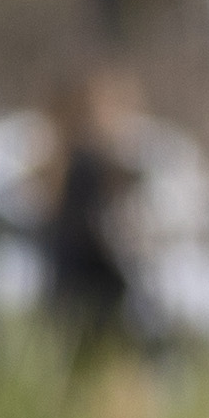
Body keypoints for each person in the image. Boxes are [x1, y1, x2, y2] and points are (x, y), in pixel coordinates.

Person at [33, 63, 150, 362]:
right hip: (91, 298)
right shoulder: (84, 165)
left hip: (69, 293)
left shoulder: (63, 160)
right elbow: (94, 232)